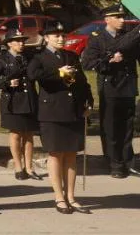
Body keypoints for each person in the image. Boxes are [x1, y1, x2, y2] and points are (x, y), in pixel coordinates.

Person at [29, 21, 94, 214]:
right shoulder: (39, 57)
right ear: (46, 38)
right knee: (56, 154)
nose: (60, 38)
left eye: (62, 35)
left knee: (71, 155)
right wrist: (59, 72)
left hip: (73, 111)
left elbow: (82, 82)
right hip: (53, 113)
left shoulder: (71, 56)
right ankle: (59, 197)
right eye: (55, 35)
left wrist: (88, 101)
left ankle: (71, 197)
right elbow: (33, 75)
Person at [81, 4, 140, 178]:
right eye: (118, 17)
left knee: (128, 127)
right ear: (108, 19)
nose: (122, 20)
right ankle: (114, 162)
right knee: (111, 127)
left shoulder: (129, 37)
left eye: (123, 17)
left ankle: (128, 161)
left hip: (128, 86)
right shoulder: (97, 38)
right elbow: (88, 63)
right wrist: (109, 61)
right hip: (110, 88)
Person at [0, 30, 40, 181]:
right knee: (16, 134)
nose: (21, 43)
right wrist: (7, 83)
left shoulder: (30, 56)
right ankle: (18, 166)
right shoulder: (1, 59)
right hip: (13, 101)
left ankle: (29, 167)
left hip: (29, 99)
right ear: (9, 43)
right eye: (17, 41)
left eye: (23, 40)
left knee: (29, 134)